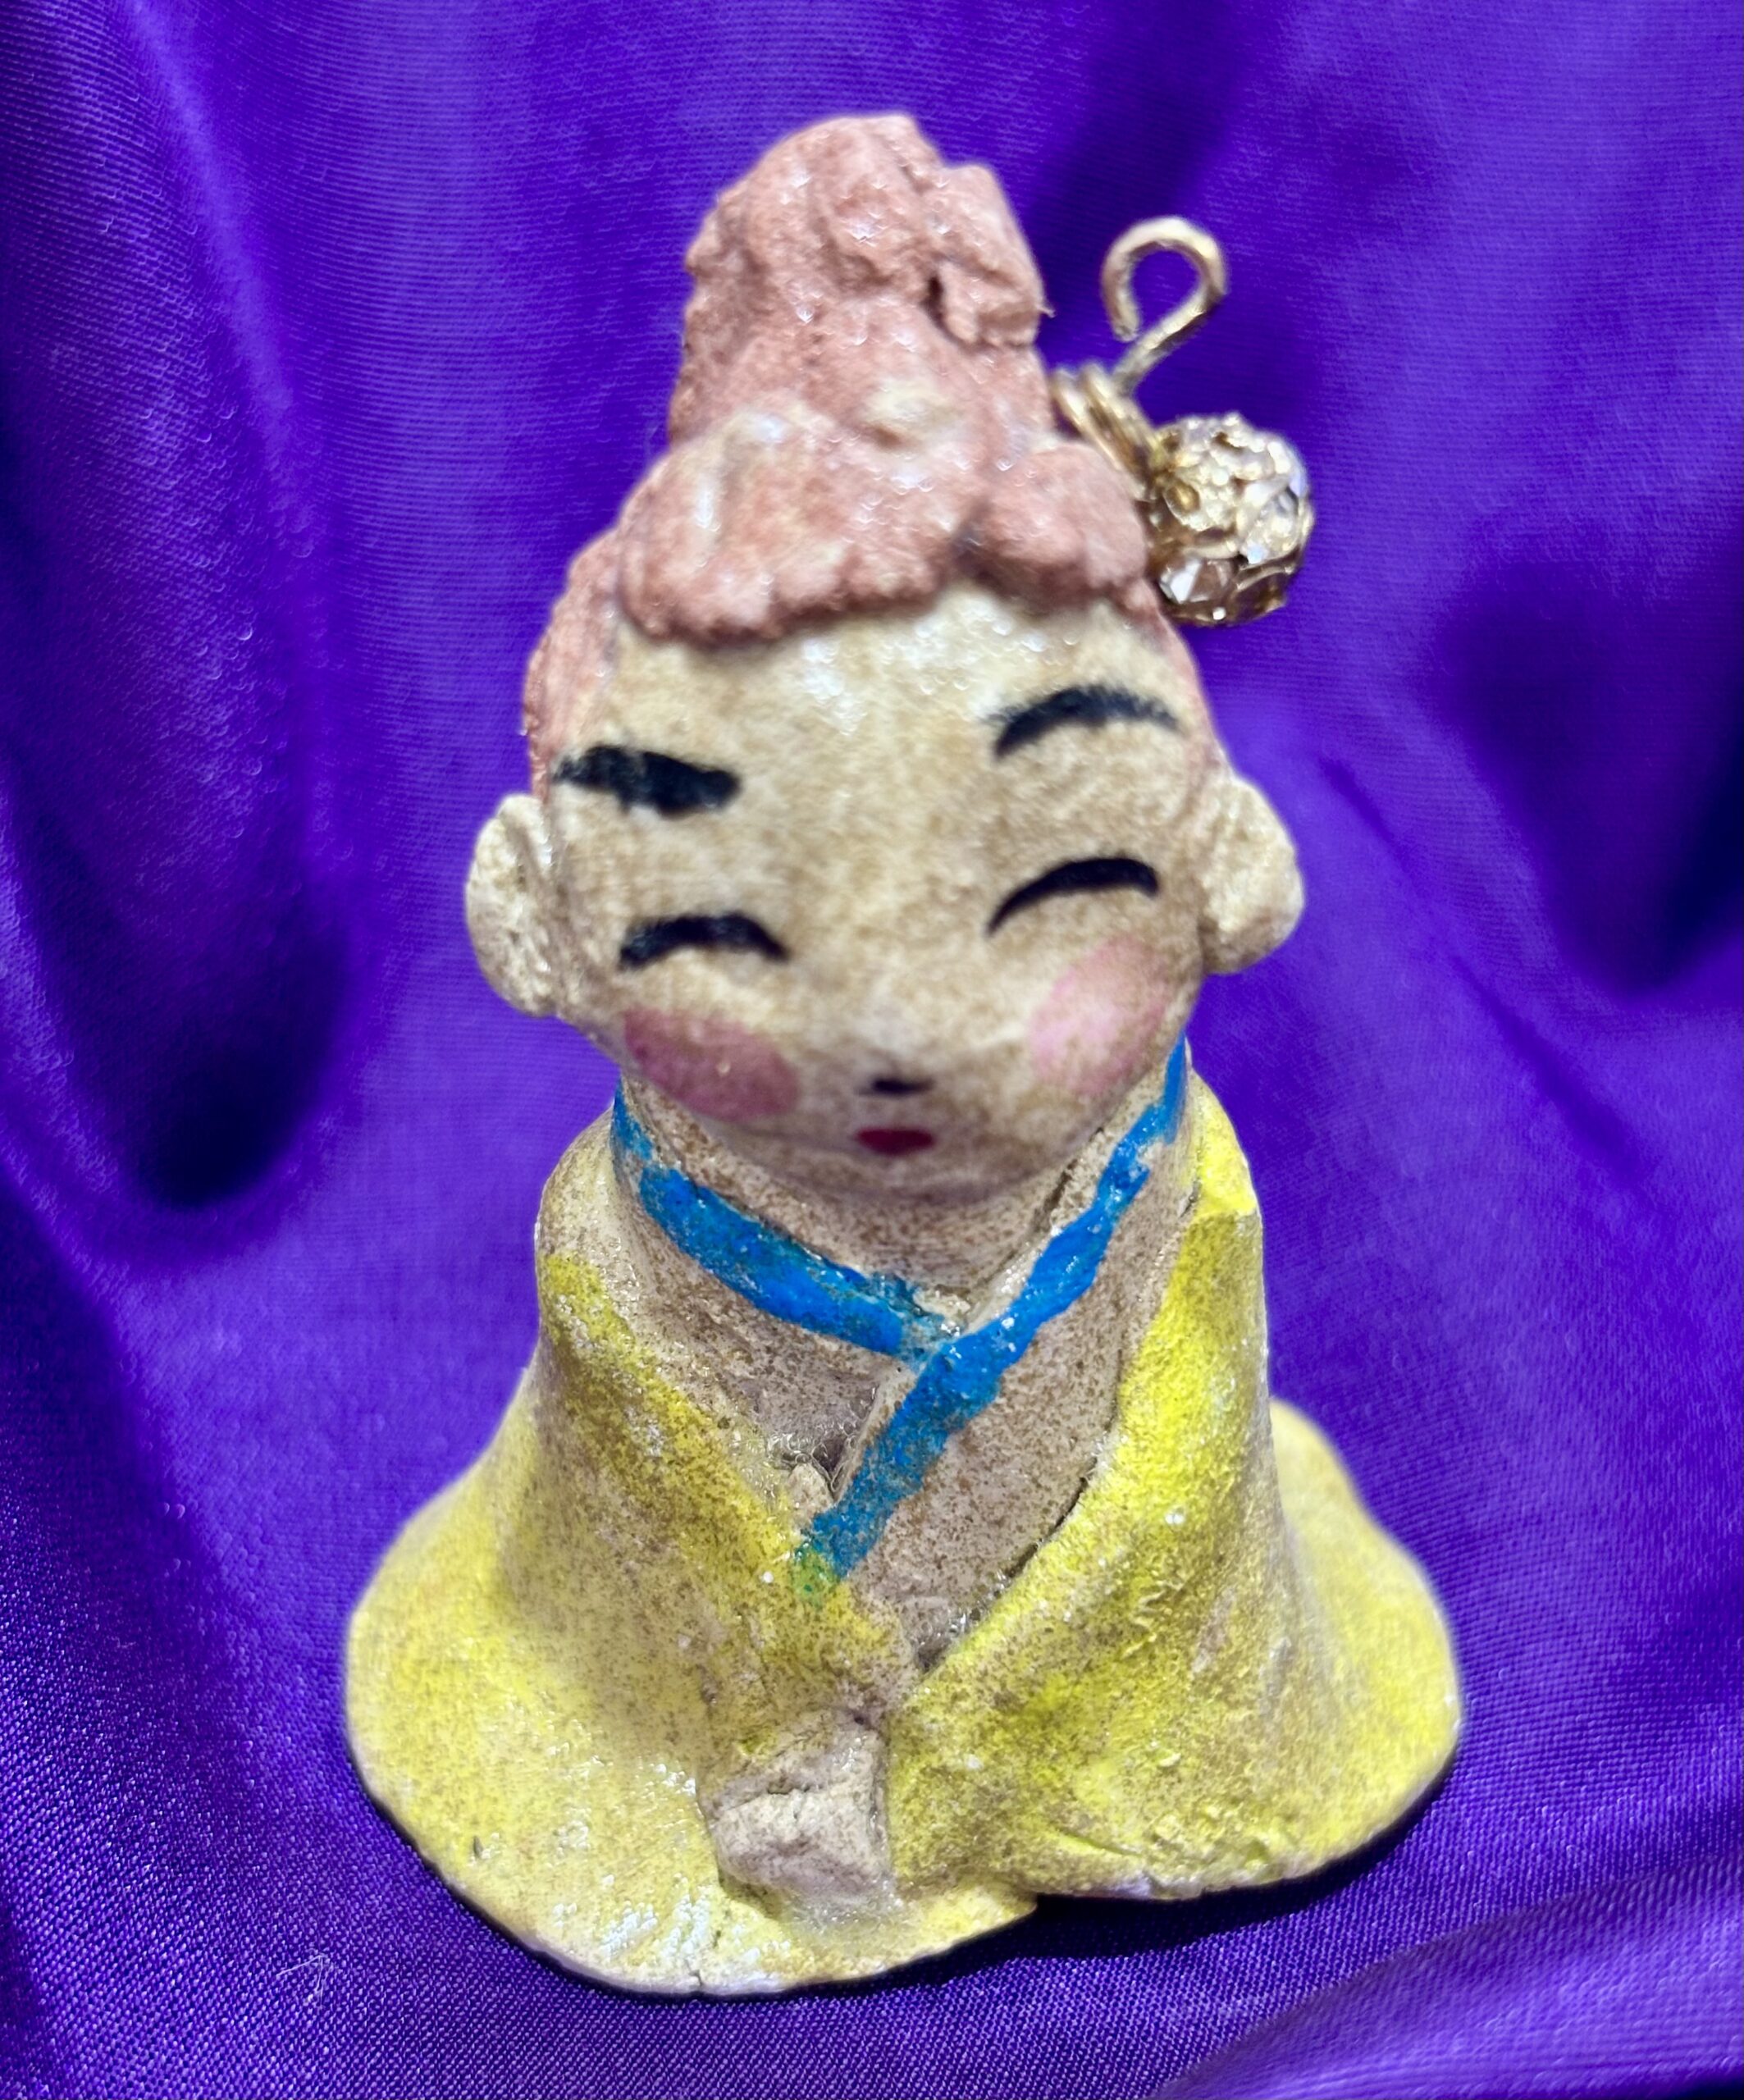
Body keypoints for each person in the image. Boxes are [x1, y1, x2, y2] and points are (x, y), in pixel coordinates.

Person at [346, 114, 1459, 1994]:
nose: (898, 1030)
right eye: (719, 924)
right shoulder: (622, 1265)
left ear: (1224, 872)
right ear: (544, 921)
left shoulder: (1182, 1209)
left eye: (1061, 884)